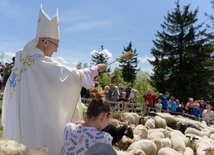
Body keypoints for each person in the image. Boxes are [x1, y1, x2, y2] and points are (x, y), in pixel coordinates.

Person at [1, 5, 107, 155]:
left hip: (18, 121)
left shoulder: (22, 59)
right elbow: (67, 76)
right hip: (30, 125)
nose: (57, 50)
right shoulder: (38, 63)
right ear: (45, 42)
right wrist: (95, 69)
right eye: (56, 44)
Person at [63, 90, 113, 154]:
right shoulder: (105, 138)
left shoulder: (68, 128)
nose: (107, 124)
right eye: (108, 120)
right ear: (103, 116)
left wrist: (84, 126)